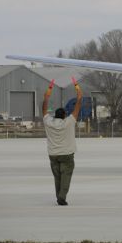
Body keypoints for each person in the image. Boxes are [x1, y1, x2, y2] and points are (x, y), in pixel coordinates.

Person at [42, 78, 82, 206]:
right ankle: (62, 197)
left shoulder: (48, 122)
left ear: (55, 115)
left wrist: (48, 92)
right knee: (66, 176)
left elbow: (44, 106)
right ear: (64, 115)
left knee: (57, 177)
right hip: (66, 154)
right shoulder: (69, 122)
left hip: (53, 154)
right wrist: (76, 87)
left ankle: (59, 195)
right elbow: (79, 101)